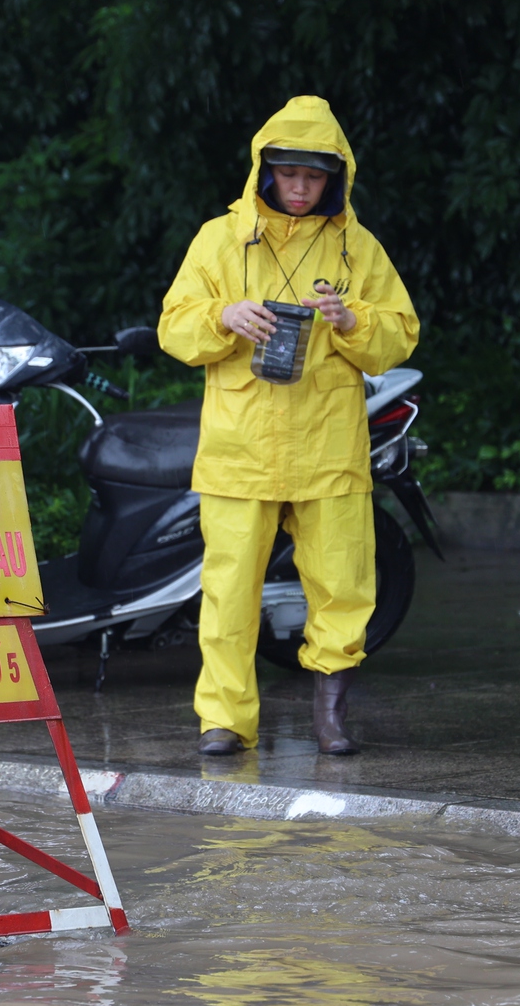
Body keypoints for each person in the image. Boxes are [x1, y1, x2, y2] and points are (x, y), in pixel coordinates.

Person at [157, 95, 419, 757]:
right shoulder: (220, 238)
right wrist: (225, 318)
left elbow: (400, 334)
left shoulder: (358, 248)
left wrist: (353, 319)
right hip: (239, 449)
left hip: (328, 445)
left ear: (336, 178)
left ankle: (330, 712)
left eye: (314, 177)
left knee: (343, 584)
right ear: (265, 169)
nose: (300, 189)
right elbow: (174, 325)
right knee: (228, 591)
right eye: (289, 174)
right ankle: (223, 718)